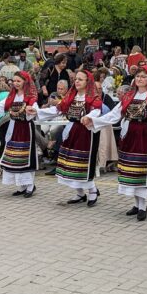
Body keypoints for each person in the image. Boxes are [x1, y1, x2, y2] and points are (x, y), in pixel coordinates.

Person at [83, 66, 147, 220]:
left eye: (144, 76)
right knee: (130, 170)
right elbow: (114, 115)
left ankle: (143, 206)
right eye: (138, 76)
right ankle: (136, 204)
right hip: (129, 136)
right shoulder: (128, 96)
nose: (140, 79)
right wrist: (94, 120)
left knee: (141, 170)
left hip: (144, 136)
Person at [34, 70, 102, 206]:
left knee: (83, 162)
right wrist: (37, 111)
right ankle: (80, 193)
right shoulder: (71, 96)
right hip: (72, 131)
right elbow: (57, 110)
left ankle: (93, 190)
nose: (77, 81)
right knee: (70, 162)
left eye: (80, 79)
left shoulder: (93, 97)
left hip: (86, 133)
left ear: (87, 82)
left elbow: (97, 110)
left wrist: (89, 116)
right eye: (76, 79)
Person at [0, 71, 40, 197]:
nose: (16, 83)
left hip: (25, 129)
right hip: (13, 128)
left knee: (26, 157)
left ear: (25, 82)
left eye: (19, 81)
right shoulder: (11, 97)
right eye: (14, 81)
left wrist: (32, 110)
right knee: (15, 157)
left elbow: (36, 110)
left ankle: (30, 185)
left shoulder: (30, 97)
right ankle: (22, 186)